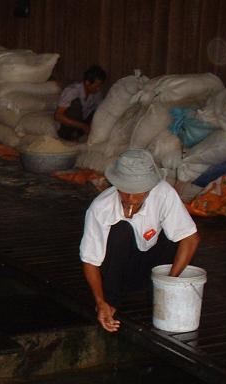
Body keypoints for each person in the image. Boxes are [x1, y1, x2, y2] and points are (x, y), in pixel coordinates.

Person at [80, 149, 200, 332]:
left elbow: (191, 239)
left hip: (153, 269)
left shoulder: (163, 193)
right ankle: (111, 303)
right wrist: (100, 301)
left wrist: (167, 285)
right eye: (125, 190)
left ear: (150, 187)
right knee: (121, 230)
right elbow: (90, 260)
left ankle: (155, 291)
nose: (130, 198)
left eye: (138, 192)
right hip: (119, 271)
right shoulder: (100, 208)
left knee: (175, 235)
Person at [55, 65, 107, 141]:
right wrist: (82, 126)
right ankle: (70, 136)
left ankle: (77, 135)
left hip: (82, 124)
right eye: (96, 86)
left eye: (100, 86)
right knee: (76, 104)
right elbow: (57, 116)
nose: (98, 89)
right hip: (68, 125)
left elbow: (101, 111)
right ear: (87, 82)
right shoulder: (72, 91)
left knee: (100, 111)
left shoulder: (97, 94)